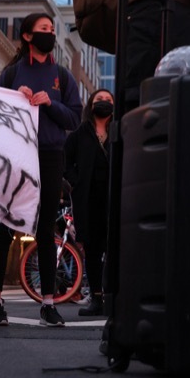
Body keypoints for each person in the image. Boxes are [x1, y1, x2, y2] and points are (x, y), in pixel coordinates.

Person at [0, 13, 82, 327]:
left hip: (52, 155)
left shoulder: (63, 75)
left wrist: (49, 104)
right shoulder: (12, 73)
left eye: (52, 30)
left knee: (45, 230)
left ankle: (48, 303)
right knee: (5, 225)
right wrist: (17, 99)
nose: (50, 33)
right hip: (17, 153)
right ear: (28, 36)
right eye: (44, 29)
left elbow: (75, 119)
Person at [64, 88, 114, 318]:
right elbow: (65, 161)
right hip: (88, 199)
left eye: (108, 100)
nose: (104, 103)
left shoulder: (121, 130)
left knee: (115, 248)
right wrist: (75, 182)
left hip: (115, 197)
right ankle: (96, 298)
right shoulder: (79, 133)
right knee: (92, 250)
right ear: (91, 105)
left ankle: (116, 296)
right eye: (99, 100)